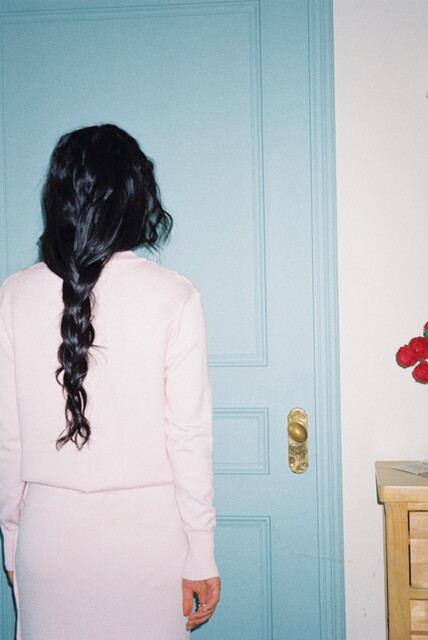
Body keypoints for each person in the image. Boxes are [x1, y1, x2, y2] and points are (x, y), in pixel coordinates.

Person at [0, 123, 221, 639]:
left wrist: (13, 541)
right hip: (148, 543)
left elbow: (7, 439)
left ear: (60, 198)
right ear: (135, 198)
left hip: (48, 538)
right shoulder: (174, 295)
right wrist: (201, 549)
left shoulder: (13, 294)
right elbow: (188, 437)